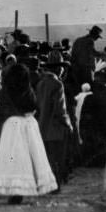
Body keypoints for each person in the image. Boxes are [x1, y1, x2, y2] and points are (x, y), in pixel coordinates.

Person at [0, 62, 57, 203]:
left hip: (12, 125)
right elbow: (34, 106)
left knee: (13, 159)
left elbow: (2, 109)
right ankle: (27, 187)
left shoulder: (5, 92)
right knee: (29, 158)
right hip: (28, 123)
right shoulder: (28, 91)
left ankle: (14, 191)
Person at [35, 51, 73, 187]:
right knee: (58, 157)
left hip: (43, 127)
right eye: (62, 67)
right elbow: (60, 109)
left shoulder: (41, 83)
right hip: (56, 128)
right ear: (57, 68)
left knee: (48, 157)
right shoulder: (57, 84)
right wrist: (68, 124)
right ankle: (56, 183)